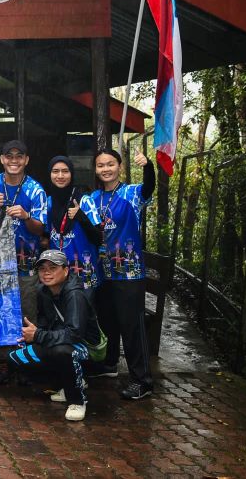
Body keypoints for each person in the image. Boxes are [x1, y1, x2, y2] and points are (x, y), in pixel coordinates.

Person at [87, 148, 156, 399]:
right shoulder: (91, 198)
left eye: (110, 164)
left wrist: (148, 167)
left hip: (128, 272)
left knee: (131, 326)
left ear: (119, 166)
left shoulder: (131, 193)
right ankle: (109, 364)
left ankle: (142, 380)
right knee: (108, 321)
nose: (105, 169)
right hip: (103, 272)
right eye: (100, 165)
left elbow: (148, 188)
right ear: (95, 170)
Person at [6, 250, 100, 421]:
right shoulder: (43, 291)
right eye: (42, 269)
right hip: (57, 340)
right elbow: (44, 323)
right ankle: (67, 381)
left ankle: (77, 400)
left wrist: (39, 336)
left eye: (53, 267)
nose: (46, 272)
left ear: (65, 270)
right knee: (15, 358)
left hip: (85, 347)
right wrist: (35, 334)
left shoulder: (75, 294)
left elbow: (74, 334)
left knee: (62, 352)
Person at [0, 139, 48, 384]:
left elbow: (40, 229)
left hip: (26, 264)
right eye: (9, 156)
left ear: (26, 160)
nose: (13, 160)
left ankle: (26, 364)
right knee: (2, 314)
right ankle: (5, 363)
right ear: (2, 159)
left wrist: (26, 215)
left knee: (27, 313)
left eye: (19, 156)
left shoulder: (36, 189)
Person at [45, 156, 102, 294]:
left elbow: (98, 238)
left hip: (84, 276)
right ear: (50, 174)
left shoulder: (84, 201)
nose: (60, 176)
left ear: (72, 174)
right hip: (58, 276)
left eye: (65, 171)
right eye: (55, 171)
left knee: (83, 314)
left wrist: (81, 217)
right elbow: (47, 236)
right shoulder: (49, 202)